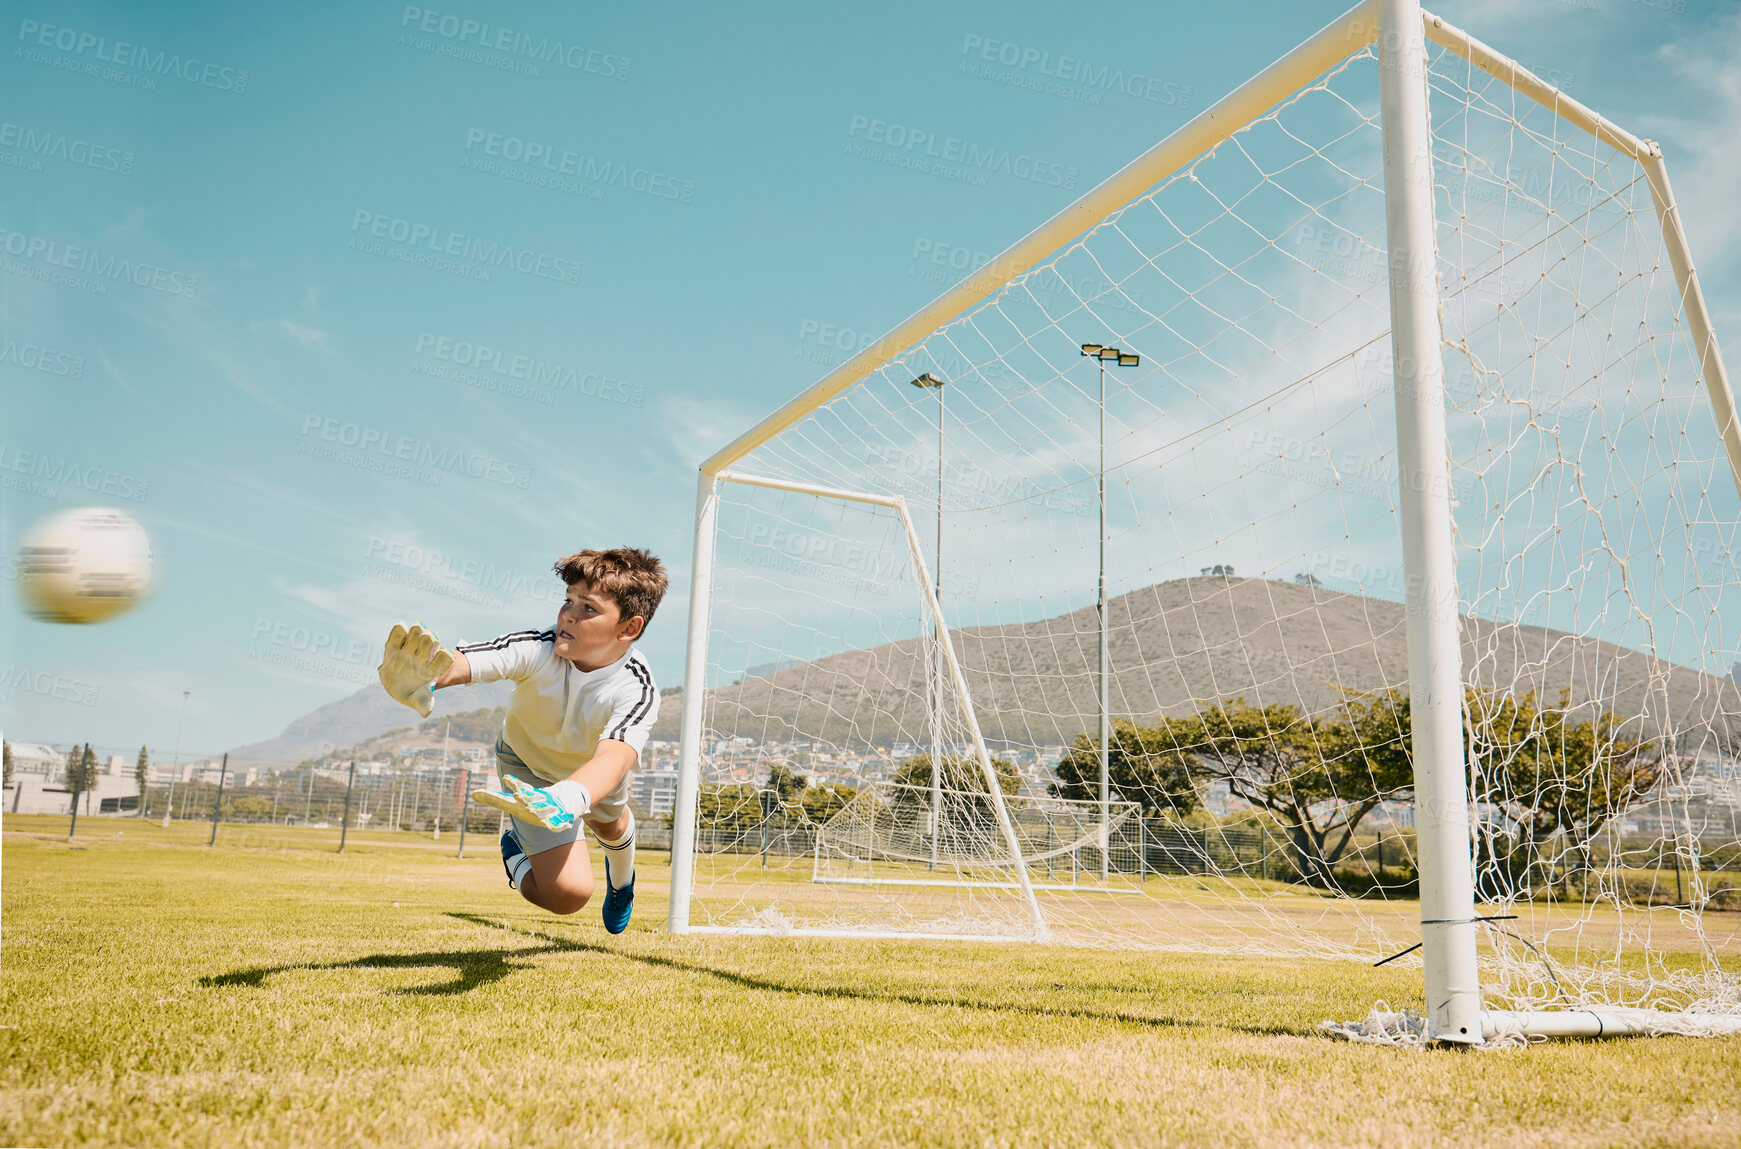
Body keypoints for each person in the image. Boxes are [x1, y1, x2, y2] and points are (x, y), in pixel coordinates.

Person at [376, 547, 665, 933]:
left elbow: (614, 757)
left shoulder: (636, 687)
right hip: (525, 767)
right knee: (568, 896)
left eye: (588, 608)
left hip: (587, 776)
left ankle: (622, 884)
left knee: (610, 828)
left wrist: (569, 796)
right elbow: (467, 662)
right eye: (568, 601)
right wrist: (426, 677)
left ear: (628, 628)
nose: (568, 615)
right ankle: (515, 853)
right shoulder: (539, 647)